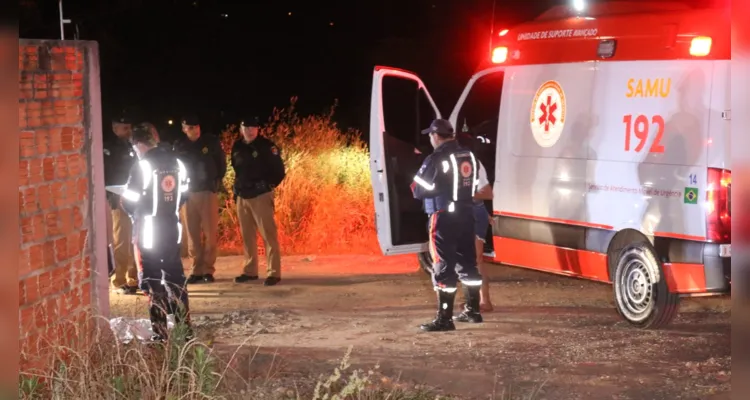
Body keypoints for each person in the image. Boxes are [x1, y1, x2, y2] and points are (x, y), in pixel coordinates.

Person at [121, 123, 192, 341]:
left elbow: (129, 200)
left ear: (139, 144)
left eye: (135, 148)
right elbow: (185, 194)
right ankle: (185, 329)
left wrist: (136, 213)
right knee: (175, 276)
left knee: (152, 279)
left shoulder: (141, 167)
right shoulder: (178, 162)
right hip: (172, 226)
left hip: (149, 230)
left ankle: (160, 333)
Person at [411, 119, 484, 332]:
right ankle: (473, 310)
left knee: (442, 265)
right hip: (466, 214)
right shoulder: (468, 154)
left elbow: (418, 188)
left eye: (430, 136)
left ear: (435, 135)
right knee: (468, 263)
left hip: (443, 217)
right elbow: (474, 182)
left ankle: (444, 318)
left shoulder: (437, 158)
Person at [231, 116, 286, 286]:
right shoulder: (238, 146)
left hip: (260, 196)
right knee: (247, 236)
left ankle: (274, 272)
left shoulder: (267, 147)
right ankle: (250, 271)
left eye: (253, 127)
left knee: (268, 234)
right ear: (241, 129)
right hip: (242, 196)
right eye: (246, 127)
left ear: (258, 129)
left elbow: (279, 171)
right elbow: (236, 168)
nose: (249, 130)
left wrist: (267, 185)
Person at [173, 115, 227, 284]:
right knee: (192, 234)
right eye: (190, 127)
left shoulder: (210, 142)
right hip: (187, 194)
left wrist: (215, 183)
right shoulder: (179, 146)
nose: (194, 130)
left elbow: (221, 164)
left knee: (210, 233)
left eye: (196, 127)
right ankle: (196, 269)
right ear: (184, 129)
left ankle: (208, 270)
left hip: (206, 192)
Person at [457, 132, 494, 312]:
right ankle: (479, 301)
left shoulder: (474, 164)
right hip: (468, 212)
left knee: (475, 260)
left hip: (473, 212)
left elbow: (487, 193)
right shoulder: (461, 163)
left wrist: (463, 196)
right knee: (473, 261)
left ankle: (482, 302)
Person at [103, 111, 139, 295]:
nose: (128, 131)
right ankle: (119, 280)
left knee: (136, 239)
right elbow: (106, 175)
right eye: (124, 128)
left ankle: (134, 278)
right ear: (114, 128)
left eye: (129, 128)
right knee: (122, 240)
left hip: (136, 200)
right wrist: (111, 196)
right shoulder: (108, 148)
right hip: (119, 199)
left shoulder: (135, 145)